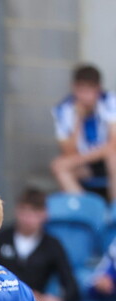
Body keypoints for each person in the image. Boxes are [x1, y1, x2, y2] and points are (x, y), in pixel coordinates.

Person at [0, 186, 80, 301]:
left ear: (44, 215)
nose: (28, 218)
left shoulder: (52, 245)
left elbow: (72, 287)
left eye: (34, 213)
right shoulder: (0, 239)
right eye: (24, 211)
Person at [51, 64, 116, 200]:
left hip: (106, 160)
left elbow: (113, 145)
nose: (84, 96)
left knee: (113, 157)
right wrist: (78, 120)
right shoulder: (64, 110)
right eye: (80, 90)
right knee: (59, 166)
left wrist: (85, 157)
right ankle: (88, 209)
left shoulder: (110, 101)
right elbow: (68, 151)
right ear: (73, 87)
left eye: (88, 91)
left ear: (98, 89)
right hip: (85, 164)